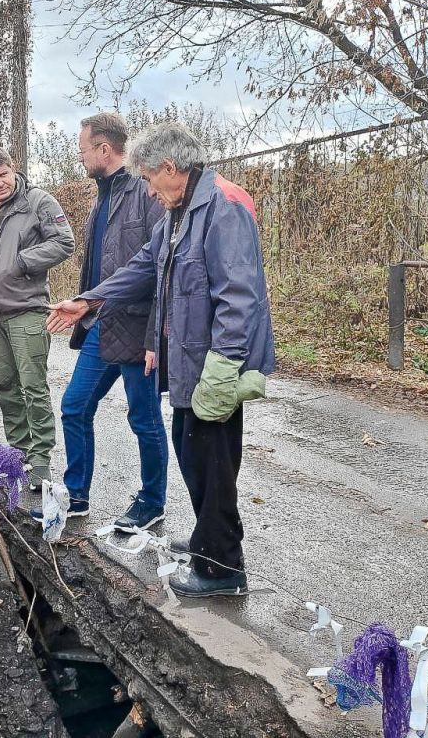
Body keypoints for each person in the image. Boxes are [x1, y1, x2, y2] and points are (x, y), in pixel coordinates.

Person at [47, 121, 276, 597]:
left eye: (150, 179)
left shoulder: (223, 206)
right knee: (193, 453)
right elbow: (141, 268)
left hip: (214, 363)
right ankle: (208, 542)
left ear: (171, 167)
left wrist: (224, 364)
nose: (149, 191)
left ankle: (222, 570)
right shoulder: (179, 210)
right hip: (189, 361)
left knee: (211, 460)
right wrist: (88, 301)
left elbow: (240, 297)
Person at [30, 112, 169, 531]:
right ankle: (77, 498)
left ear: (104, 149)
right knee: (74, 406)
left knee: (143, 418)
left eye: (83, 150)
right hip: (100, 324)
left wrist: (154, 334)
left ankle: (152, 501)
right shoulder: (102, 195)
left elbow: (157, 265)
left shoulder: (146, 192)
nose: (80, 158)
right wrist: (85, 305)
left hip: (137, 326)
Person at [0, 146, 74, 489]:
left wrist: (22, 262)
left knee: (33, 387)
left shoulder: (38, 202)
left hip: (27, 310)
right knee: (5, 386)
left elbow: (64, 241)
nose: (0, 182)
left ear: (13, 169)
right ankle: (19, 451)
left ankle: (40, 460)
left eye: (4, 174)